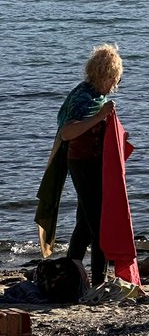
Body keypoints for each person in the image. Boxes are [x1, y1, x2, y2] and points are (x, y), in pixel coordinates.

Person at [40, 44, 124, 286]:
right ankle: (99, 280)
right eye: (114, 78)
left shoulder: (98, 96)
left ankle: (70, 273)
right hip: (82, 163)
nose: (114, 85)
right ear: (106, 74)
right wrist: (100, 117)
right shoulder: (83, 96)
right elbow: (67, 132)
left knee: (85, 223)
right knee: (99, 223)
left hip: (96, 163)